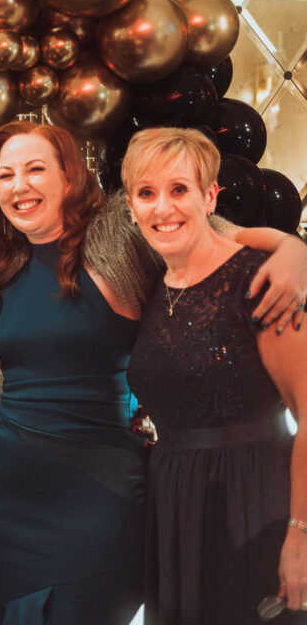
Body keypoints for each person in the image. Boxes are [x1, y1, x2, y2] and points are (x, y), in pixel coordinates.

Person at [0, 120, 307, 624]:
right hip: (8, 495)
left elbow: (216, 232)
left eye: (36, 169)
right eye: (6, 175)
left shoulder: (119, 232)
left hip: (101, 492)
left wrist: (293, 250)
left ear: (69, 177)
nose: (20, 186)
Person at [123, 128, 307, 624]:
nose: (162, 208)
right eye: (147, 193)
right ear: (131, 205)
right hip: (176, 506)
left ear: (209, 197)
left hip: (254, 503)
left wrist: (301, 532)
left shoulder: (260, 280)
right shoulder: (154, 282)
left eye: (179, 190)